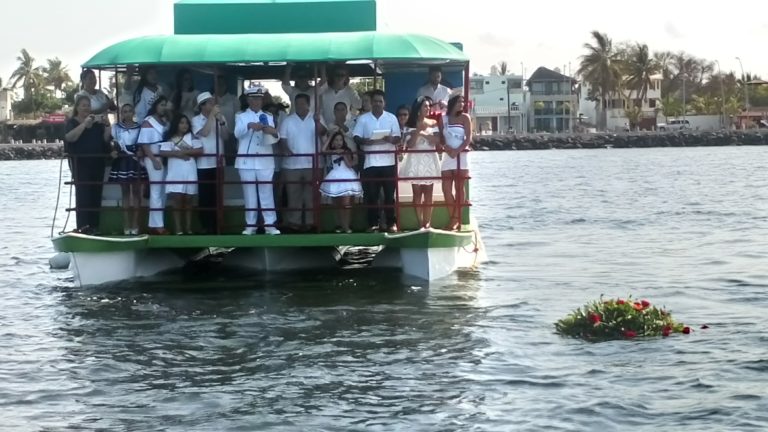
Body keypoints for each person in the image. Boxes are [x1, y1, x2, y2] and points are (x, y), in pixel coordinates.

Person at [234, 83, 281, 235]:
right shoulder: (241, 116)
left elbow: (275, 136)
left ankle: (270, 225)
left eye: (259, 99)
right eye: (253, 98)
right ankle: (250, 226)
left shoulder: (268, 116)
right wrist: (249, 126)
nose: (256, 102)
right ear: (248, 100)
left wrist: (270, 130)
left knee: (266, 193)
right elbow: (237, 133)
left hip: (265, 160)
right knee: (249, 194)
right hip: (246, 161)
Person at [64, 95, 114, 235]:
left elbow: (105, 139)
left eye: (88, 105)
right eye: (83, 105)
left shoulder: (97, 124)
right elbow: (69, 137)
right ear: (77, 107)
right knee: (83, 194)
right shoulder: (72, 122)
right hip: (81, 163)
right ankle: (83, 226)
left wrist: (107, 125)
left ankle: (94, 226)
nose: (86, 108)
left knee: (95, 194)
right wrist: (84, 125)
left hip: (97, 162)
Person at [353, 89, 401, 232]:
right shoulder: (363, 119)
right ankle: (372, 223)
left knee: (389, 195)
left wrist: (391, 139)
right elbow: (356, 136)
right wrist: (365, 141)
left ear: (384, 103)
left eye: (380, 101)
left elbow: (398, 137)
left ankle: (391, 223)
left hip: (389, 162)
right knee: (371, 195)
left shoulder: (391, 118)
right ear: (371, 103)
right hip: (370, 162)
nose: (378, 104)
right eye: (375, 101)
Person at [278, 93, 325, 232]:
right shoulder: (288, 120)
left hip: (314, 164)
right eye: (297, 103)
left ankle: (311, 223)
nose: (299, 106)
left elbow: (324, 133)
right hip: (291, 165)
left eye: (302, 103)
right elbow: (282, 139)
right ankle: (294, 223)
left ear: (308, 104)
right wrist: (286, 149)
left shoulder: (317, 117)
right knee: (293, 195)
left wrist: (317, 121)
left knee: (312, 195)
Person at [400, 97, 441, 229]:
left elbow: (436, 140)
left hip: (429, 159)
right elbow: (410, 145)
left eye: (429, 106)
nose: (428, 108)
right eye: (425, 106)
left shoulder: (433, 123)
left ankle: (427, 222)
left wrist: (422, 134)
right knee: (417, 193)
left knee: (429, 192)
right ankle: (420, 222)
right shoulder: (409, 125)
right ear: (418, 109)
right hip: (415, 160)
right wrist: (417, 131)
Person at [160, 115, 203, 235]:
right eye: (181, 123)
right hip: (175, 170)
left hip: (189, 169)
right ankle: (178, 228)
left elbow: (200, 150)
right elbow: (163, 152)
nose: (184, 125)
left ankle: (188, 228)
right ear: (176, 124)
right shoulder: (170, 137)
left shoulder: (192, 136)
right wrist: (176, 154)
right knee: (177, 199)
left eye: (186, 123)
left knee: (189, 199)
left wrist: (184, 151)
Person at [192, 92, 227, 234]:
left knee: (217, 195)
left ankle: (217, 225)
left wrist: (222, 121)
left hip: (219, 161)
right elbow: (204, 133)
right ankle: (206, 226)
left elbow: (226, 136)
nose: (213, 105)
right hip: (204, 163)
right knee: (205, 196)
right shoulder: (195, 120)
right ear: (202, 106)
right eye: (210, 103)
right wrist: (212, 116)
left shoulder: (220, 117)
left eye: (213, 102)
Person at [107, 103, 145, 235]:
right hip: (122, 160)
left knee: (136, 192)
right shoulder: (116, 128)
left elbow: (142, 144)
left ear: (133, 113)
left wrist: (140, 151)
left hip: (135, 161)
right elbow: (111, 143)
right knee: (124, 193)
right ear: (121, 114)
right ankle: (126, 225)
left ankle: (135, 224)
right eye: (124, 111)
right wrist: (113, 151)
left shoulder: (140, 127)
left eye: (129, 111)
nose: (127, 113)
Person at [138, 95, 171, 235]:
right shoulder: (148, 121)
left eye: (165, 105)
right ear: (156, 105)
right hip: (154, 159)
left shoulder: (164, 121)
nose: (163, 107)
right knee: (156, 191)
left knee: (163, 192)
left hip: (163, 158)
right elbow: (144, 144)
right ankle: (158, 226)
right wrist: (154, 160)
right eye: (162, 104)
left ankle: (156, 223)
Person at [319, 131, 362, 233]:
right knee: (337, 203)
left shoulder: (346, 151)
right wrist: (330, 137)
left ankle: (346, 226)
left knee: (346, 203)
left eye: (340, 140)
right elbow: (323, 150)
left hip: (347, 176)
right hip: (335, 176)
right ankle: (340, 225)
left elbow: (349, 165)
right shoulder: (332, 151)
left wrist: (344, 155)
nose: (339, 142)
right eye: (336, 140)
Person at [441, 94, 473, 231]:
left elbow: (468, 139)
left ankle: (455, 219)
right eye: (459, 101)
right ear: (452, 103)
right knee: (446, 188)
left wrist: (457, 151)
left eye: (463, 102)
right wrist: (448, 149)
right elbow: (441, 138)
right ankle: (453, 217)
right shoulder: (443, 118)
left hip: (461, 155)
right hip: (447, 156)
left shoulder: (465, 117)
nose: (462, 104)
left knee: (459, 188)